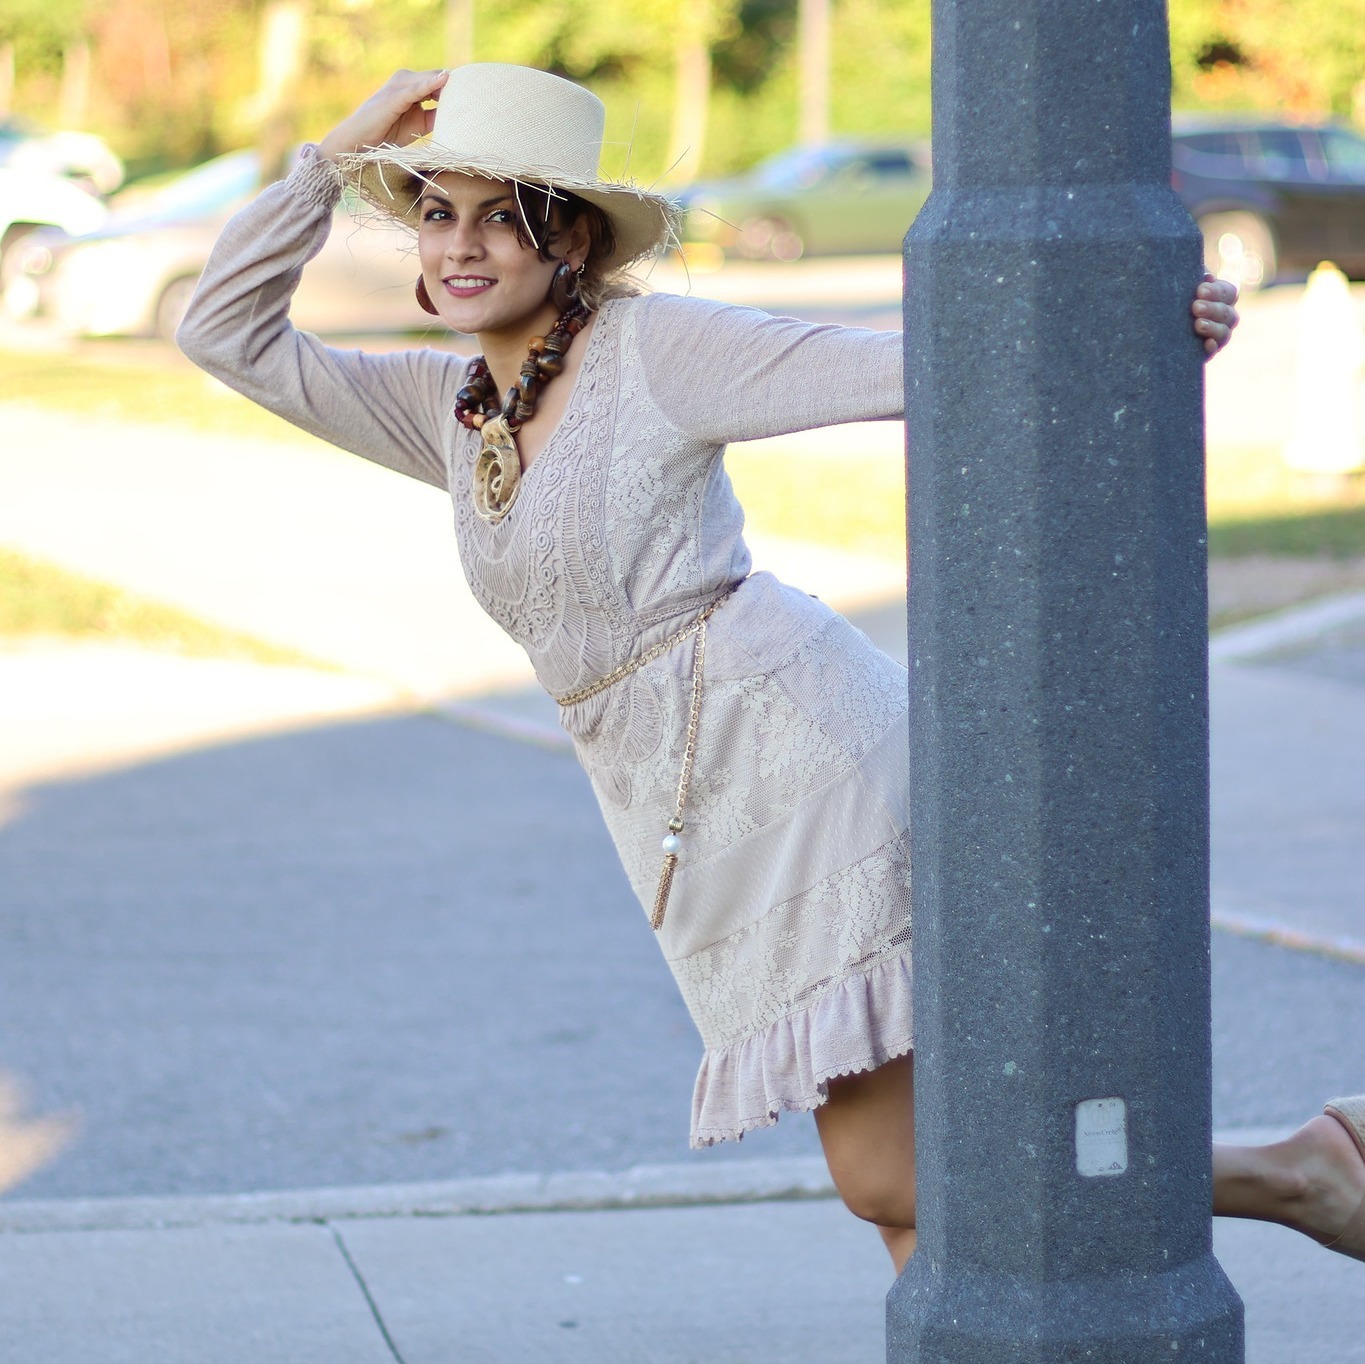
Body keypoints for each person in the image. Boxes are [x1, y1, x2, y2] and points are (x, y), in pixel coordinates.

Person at [177, 63, 1363, 1276]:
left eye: (504, 216)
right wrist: (335, 155)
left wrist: (1145, 325)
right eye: (438, 214)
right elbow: (223, 333)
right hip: (691, 817)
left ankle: (1298, 1171)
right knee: (915, 1194)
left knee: (888, 1171)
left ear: (573, 240)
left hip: (806, 760)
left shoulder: (656, 350)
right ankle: (1259, 1194)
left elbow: (927, 365)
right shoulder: (452, 408)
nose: (463, 245)